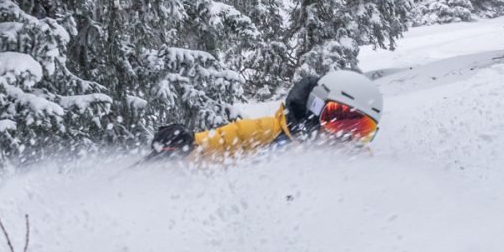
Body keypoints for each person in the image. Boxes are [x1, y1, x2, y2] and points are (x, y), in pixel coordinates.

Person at [150, 70, 383, 159]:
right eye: (335, 119)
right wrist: (187, 143)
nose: (345, 136)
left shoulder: (359, 161)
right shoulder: (268, 132)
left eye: (361, 129)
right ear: (315, 107)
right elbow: (221, 142)